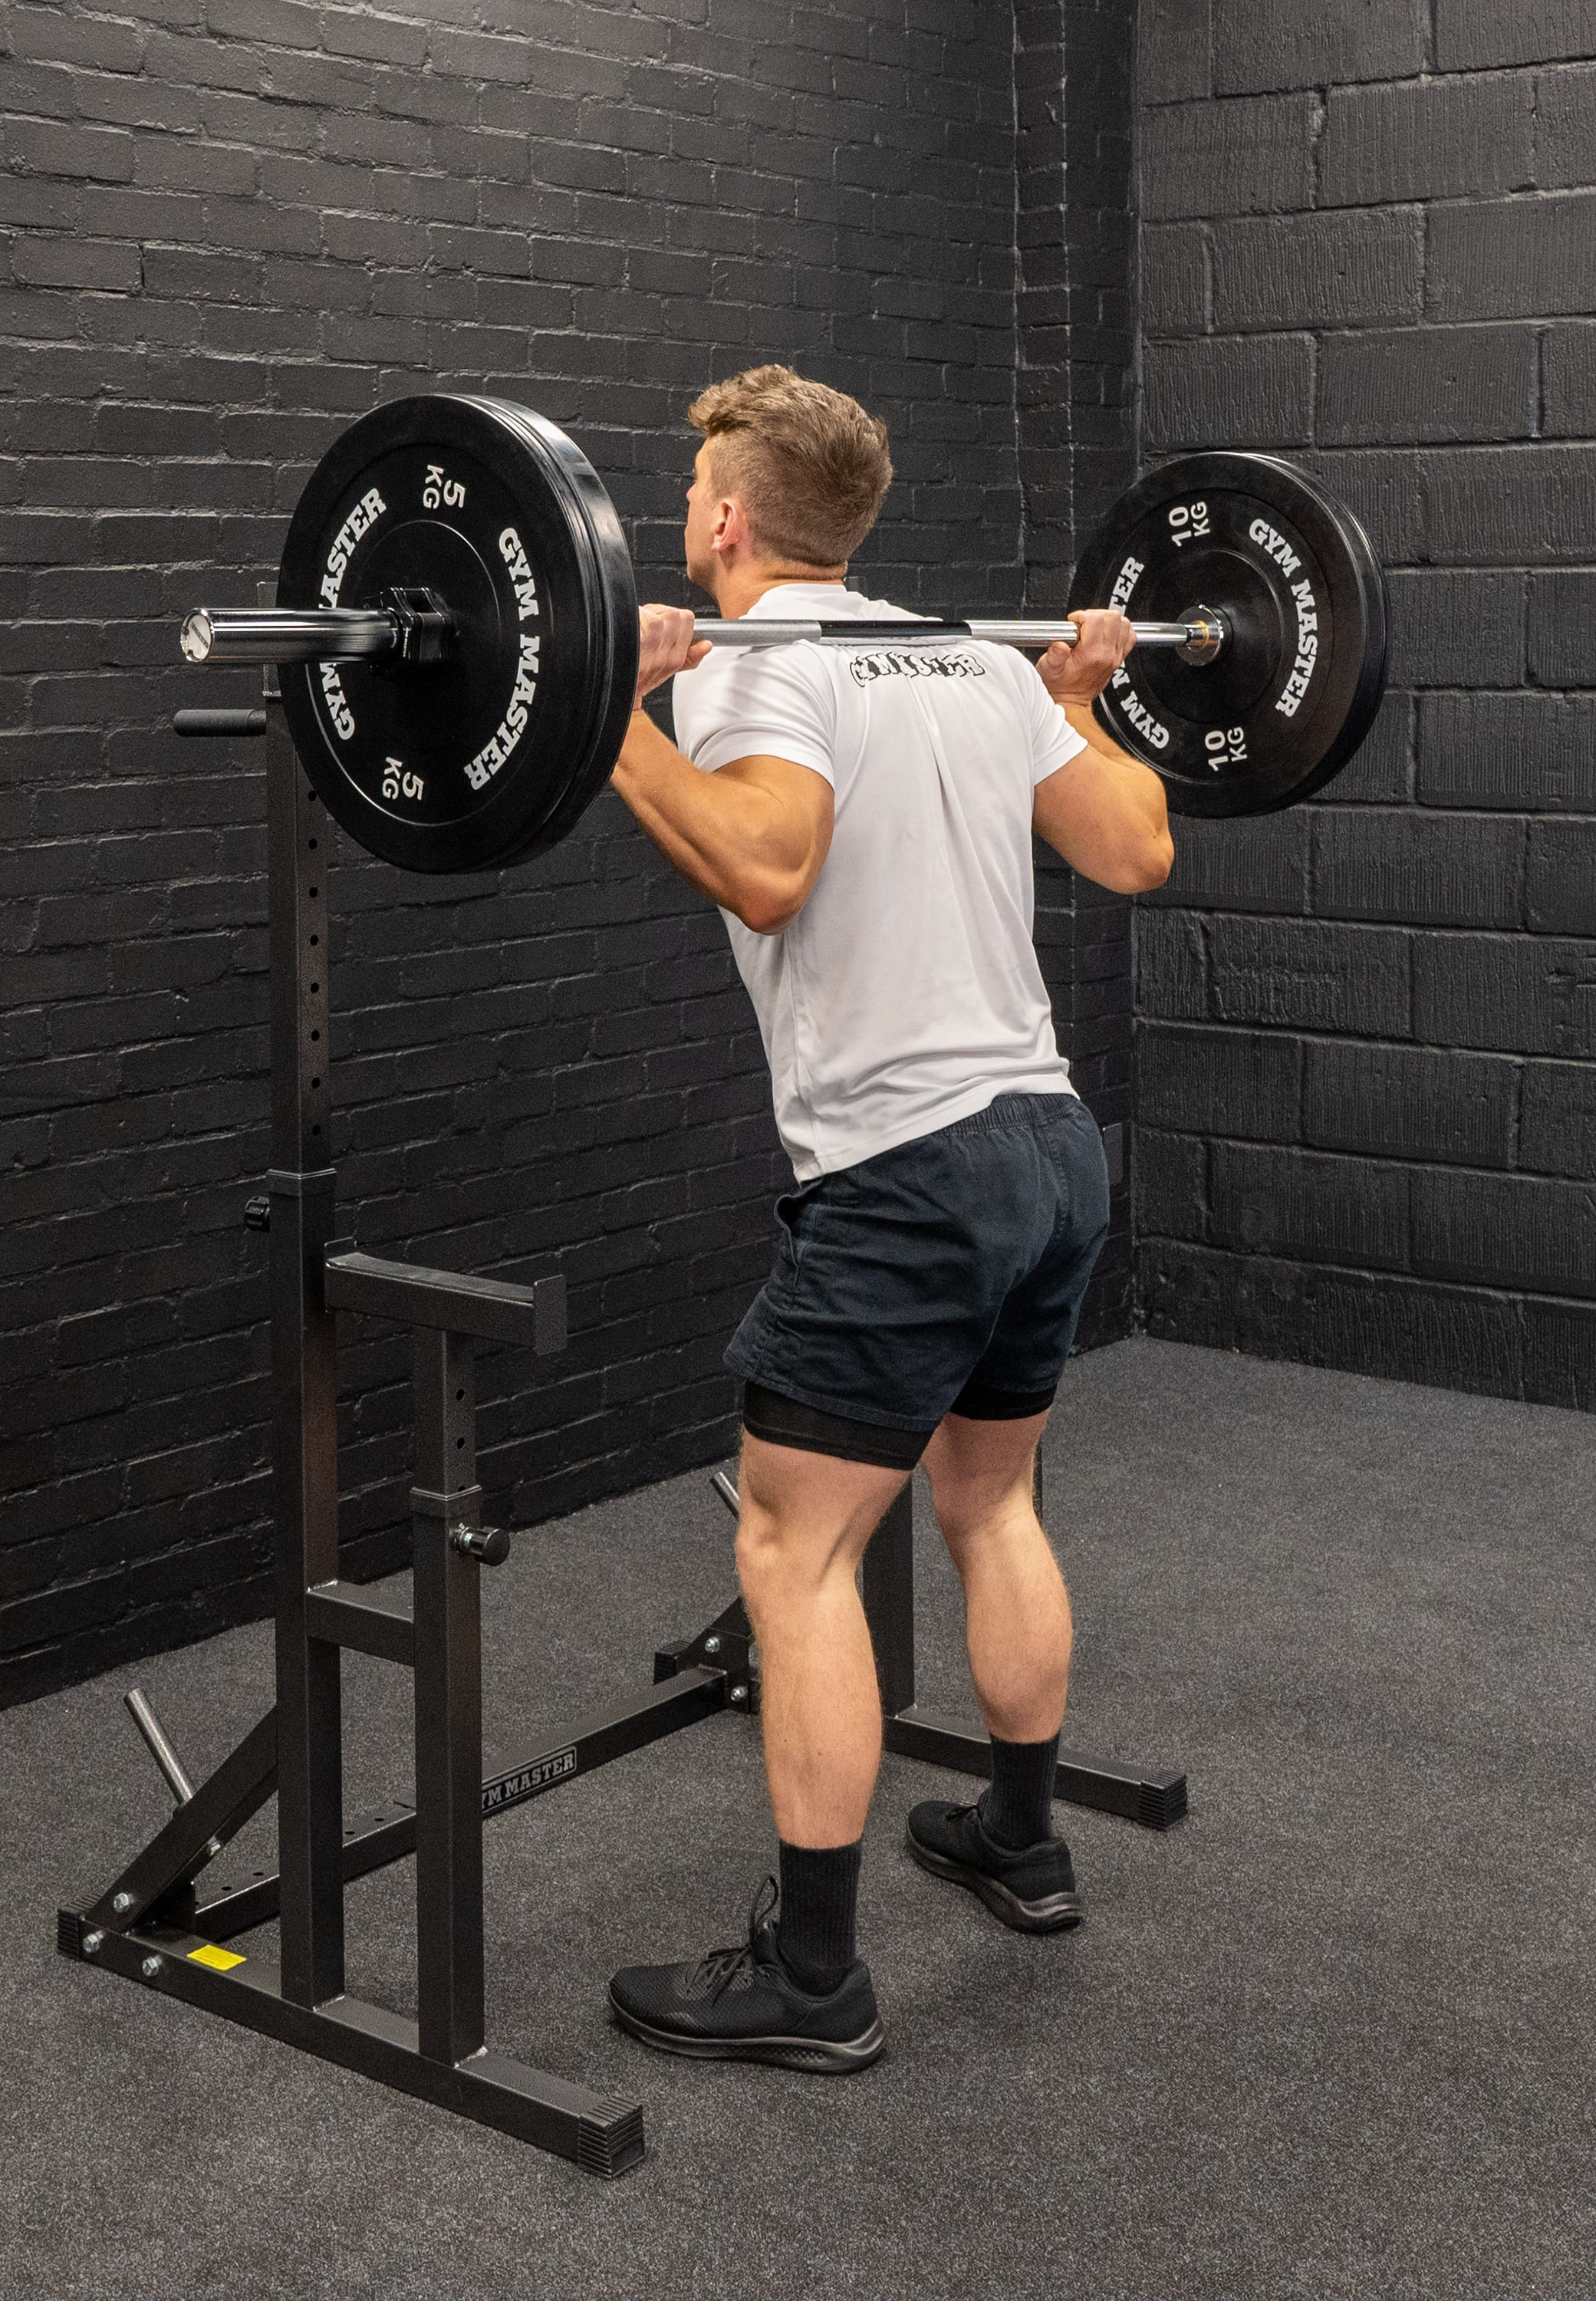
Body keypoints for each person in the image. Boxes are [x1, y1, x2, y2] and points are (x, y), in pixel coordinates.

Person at [603, 366, 1173, 2072]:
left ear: (725, 518)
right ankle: (1021, 1840)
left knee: (797, 1553)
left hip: (910, 1175)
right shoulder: (972, 659)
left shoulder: (759, 669)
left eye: (693, 492)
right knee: (987, 1501)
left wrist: (605, 717)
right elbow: (1135, 847)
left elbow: (769, 866)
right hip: (1049, 1146)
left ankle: (816, 1980)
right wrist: (1078, 703)